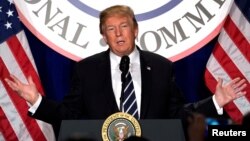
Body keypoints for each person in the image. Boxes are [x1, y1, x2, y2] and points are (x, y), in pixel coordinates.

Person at [5, 5, 247, 139]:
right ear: (104, 36)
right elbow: (70, 114)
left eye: (124, 26)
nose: (118, 33)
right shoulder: (86, 69)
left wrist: (216, 100)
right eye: (111, 29)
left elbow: (178, 114)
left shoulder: (161, 67)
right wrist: (36, 100)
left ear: (136, 30)